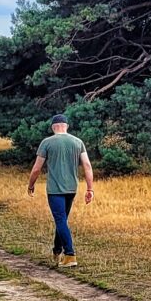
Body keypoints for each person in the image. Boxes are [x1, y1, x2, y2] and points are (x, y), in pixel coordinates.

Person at [27, 114, 93, 268]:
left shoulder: (47, 142)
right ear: (67, 126)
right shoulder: (78, 142)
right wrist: (90, 189)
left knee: (60, 219)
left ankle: (70, 254)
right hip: (72, 188)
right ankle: (57, 250)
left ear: (53, 127)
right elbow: (87, 165)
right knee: (61, 219)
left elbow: (37, 168)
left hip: (55, 189)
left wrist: (31, 185)